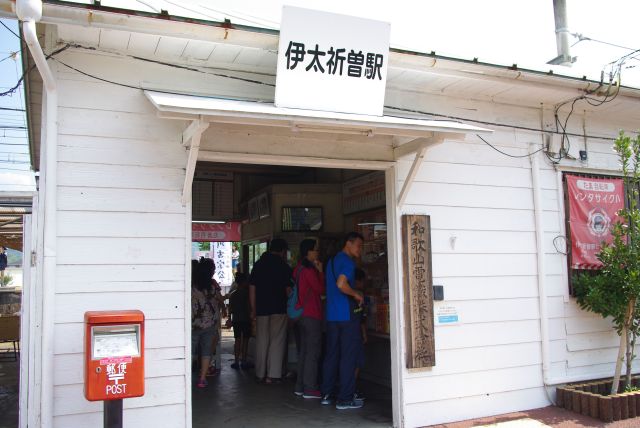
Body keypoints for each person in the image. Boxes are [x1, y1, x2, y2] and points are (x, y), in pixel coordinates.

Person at [321, 232, 365, 410]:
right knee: (348, 356)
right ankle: (345, 398)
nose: (360, 250)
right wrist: (356, 294)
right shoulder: (347, 262)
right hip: (347, 315)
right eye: (359, 246)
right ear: (348, 243)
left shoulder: (331, 261)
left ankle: (326, 393)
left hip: (332, 315)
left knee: (331, 354)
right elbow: (341, 284)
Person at [249, 238, 293, 384]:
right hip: (279, 308)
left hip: (261, 308)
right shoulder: (283, 266)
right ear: (282, 251)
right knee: (277, 341)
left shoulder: (258, 265)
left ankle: (260, 373)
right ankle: (273, 375)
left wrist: (253, 309)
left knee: (262, 340)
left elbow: (252, 289)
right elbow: (288, 290)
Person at [293, 239, 325, 399]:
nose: (317, 253)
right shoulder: (309, 270)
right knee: (313, 352)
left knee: (304, 351)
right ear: (309, 252)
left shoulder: (298, 269)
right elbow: (320, 289)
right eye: (316, 250)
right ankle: (310, 388)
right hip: (312, 314)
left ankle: (300, 386)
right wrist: (320, 271)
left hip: (300, 315)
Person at [191, 259, 218, 388]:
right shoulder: (212, 288)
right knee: (207, 351)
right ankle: (202, 379)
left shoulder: (192, 288)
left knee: (191, 350)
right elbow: (218, 301)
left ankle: (187, 376)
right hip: (209, 323)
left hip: (194, 324)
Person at [228, 272, 253, 370]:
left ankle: (236, 361)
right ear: (244, 282)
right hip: (246, 319)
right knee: (245, 340)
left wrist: (230, 318)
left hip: (236, 319)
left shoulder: (233, 294)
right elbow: (248, 307)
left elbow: (230, 308)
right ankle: (244, 360)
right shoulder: (247, 294)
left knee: (237, 340)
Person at [353, 268, 368, 401]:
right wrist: (364, 334)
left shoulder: (346, 294)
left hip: (344, 330)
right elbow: (361, 317)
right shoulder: (359, 295)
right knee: (357, 362)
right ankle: (352, 388)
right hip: (355, 332)